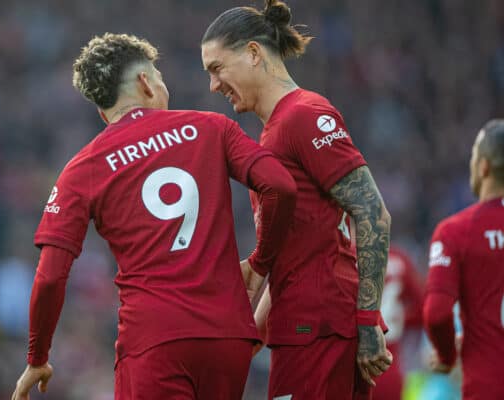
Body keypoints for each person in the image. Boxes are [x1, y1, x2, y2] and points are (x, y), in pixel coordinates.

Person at [11, 33, 297, 400]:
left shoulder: (84, 168)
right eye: (159, 77)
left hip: (154, 342)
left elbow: (50, 276)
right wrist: (260, 264)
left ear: (103, 112)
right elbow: (281, 186)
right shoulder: (212, 127)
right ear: (146, 83)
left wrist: (38, 356)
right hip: (228, 337)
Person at [201, 1, 392, 398]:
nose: (213, 85)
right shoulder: (275, 133)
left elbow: (372, 211)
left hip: (319, 325)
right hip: (307, 325)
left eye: (217, 69)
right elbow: (298, 249)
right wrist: (254, 329)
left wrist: (368, 318)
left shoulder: (303, 116)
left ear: (253, 53)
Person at [423, 119, 504, 400]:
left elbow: (437, 314)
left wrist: (447, 354)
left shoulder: (456, 231)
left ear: (483, 167)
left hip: (488, 387)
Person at [374, 246, 424, 400]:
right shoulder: (399, 258)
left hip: (354, 368)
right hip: (390, 365)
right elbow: (424, 308)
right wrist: (398, 322)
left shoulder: (347, 255)